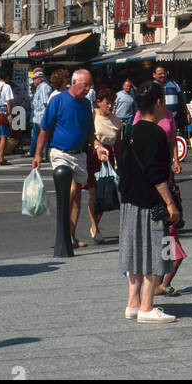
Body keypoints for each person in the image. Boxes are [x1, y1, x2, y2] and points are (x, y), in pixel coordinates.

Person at [117, 82, 181, 324]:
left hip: (130, 201)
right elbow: (158, 174)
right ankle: (147, 306)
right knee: (156, 251)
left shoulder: (130, 131)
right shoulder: (155, 133)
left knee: (133, 252)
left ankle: (132, 303)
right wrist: (170, 203)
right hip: (150, 204)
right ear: (158, 103)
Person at [32, 67, 95, 248]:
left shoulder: (85, 104)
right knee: (72, 189)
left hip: (79, 154)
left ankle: (70, 236)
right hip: (60, 153)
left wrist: (97, 146)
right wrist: (37, 154)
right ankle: (64, 235)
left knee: (75, 198)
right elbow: (45, 129)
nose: (88, 89)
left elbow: (90, 131)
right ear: (74, 83)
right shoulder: (57, 100)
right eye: (85, 85)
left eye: (90, 86)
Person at [87, 89, 123, 244]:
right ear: (98, 102)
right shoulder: (92, 115)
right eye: (107, 102)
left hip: (108, 158)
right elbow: (88, 135)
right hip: (93, 156)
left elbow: (119, 145)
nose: (110, 105)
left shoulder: (117, 121)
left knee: (104, 194)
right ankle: (95, 227)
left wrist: (120, 166)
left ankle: (96, 225)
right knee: (94, 193)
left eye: (112, 102)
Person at [154, 66, 186, 135]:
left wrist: (187, 113)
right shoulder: (151, 87)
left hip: (173, 120)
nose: (163, 75)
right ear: (154, 75)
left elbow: (182, 99)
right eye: (160, 74)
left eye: (164, 73)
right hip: (158, 121)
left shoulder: (174, 84)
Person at [30, 68, 53, 155]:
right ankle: (40, 153)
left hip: (42, 116)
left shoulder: (44, 88)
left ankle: (45, 154)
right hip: (37, 116)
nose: (34, 81)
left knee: (44, 136)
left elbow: (45, 103)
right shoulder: (39, 88)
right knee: (39, 137)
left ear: (40, 79)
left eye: (35, 79)